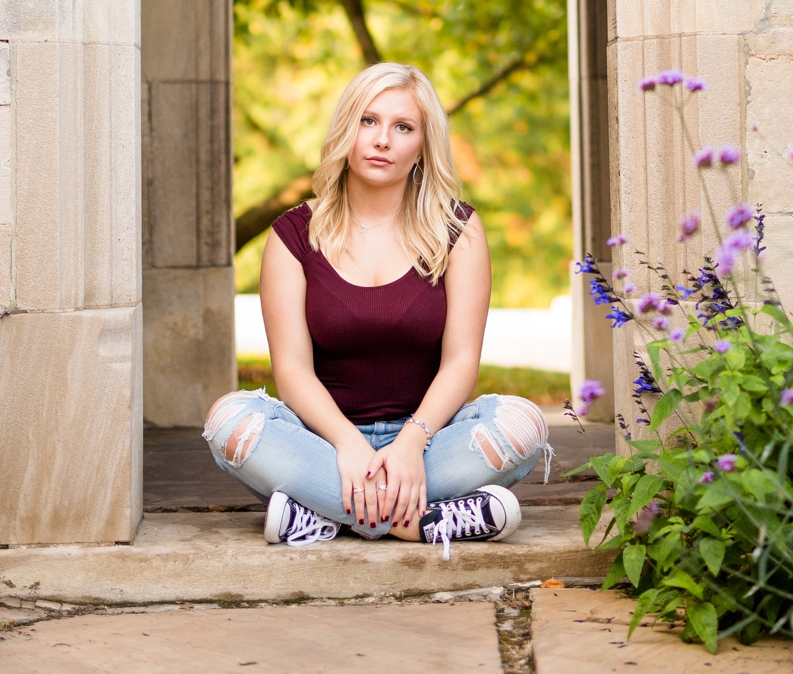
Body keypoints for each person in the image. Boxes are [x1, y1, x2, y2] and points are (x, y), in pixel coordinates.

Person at [203, 62, 553, 550]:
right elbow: (292, 372)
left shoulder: (458, 230)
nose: (382, 139)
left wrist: (411, 443)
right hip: (323, 442)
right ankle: (423, 521)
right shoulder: (293, 235)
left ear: (422, 147)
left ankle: (325, 514)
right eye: (368, 121)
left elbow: (460, 362)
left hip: (430, 443)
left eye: (402, 127)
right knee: (229, 421)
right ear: (347, 129)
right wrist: (347, 444)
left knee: (522, 426)